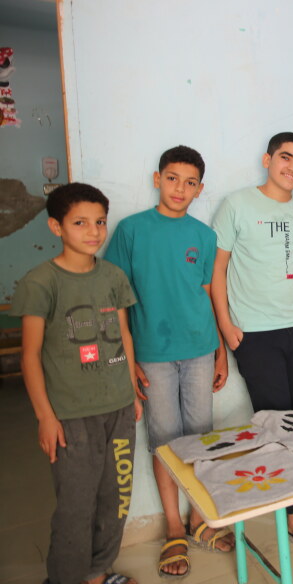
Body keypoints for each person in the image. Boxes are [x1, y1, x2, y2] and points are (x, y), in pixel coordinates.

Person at [104, 146, 232, 576]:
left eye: (190, 182)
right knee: (164, 442)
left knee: (200, 438)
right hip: (153, 355)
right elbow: (117, 301)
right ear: (157, 179)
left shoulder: (203, 236)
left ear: (200, 188)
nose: (180, 188)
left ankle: (199, 520)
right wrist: (128, 360)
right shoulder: (131, 230)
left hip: (199, 350)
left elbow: (207, 295)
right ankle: (174, 527)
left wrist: (219, 350)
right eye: (173, 178)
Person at [210, 132, 293, 552]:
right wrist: (226, 325)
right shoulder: (237, 204)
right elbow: (217, 270)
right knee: (275, 420)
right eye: (286, 158)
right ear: (267, 160)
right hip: (255, 333)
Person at [12, 183, 141, 584]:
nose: (93, 231)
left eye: (100, 222)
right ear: (56, 227)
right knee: (76, 507)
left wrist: (132, 392)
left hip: (119, 408)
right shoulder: (41, 282)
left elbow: (123, 334)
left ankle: (97, 574)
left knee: (115, 500)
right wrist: (45, 417)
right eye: (80, 223)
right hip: (70, 416)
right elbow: (30, 355)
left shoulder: (113, 276)